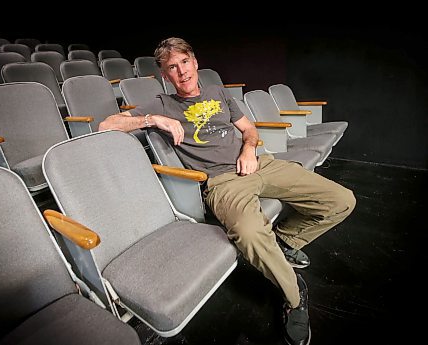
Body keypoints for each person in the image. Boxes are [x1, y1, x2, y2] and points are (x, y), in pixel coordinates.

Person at [99, 37, 356, 345]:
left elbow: (249, 129)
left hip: (258, 164)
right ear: (165, 75)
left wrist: (249, 150)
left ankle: (286, 239)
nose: (181, 71)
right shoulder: (162, 104)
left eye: (184, 62)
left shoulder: (218, 93)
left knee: (342, 200)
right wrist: (152, 119)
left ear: (195, 63)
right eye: (172, 67)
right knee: (249, 234)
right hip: (222, 183)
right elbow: (106, 126)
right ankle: (294, 297)